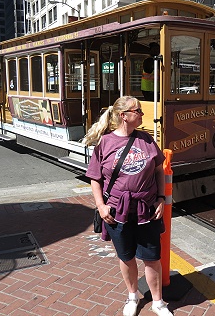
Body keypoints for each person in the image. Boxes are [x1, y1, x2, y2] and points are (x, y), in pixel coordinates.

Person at [83, 96, 171, 316]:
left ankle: (158, 302)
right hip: (116, 211)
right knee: (127, 256)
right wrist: (101, 206)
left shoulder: (147, 139)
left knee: (152, 258)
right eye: (138, 111)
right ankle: (132, 297)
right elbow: (95, 178)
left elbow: (159, 170)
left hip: (146, 209)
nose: (142, 114)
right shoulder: (105, 143)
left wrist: (161, 198)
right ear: (124, 116)